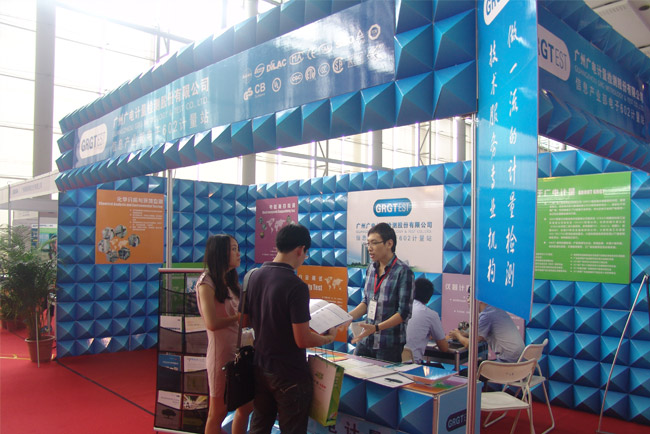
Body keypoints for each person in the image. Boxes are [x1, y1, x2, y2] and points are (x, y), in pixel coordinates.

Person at [243, 224, 338, 434]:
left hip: (260, 366)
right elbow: (302, 340)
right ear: (300, 249)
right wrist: (327, 338)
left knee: (258, 426)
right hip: (289, 373)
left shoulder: (254, 276)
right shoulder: (296, 286)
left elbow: (245, 322)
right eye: (306, 253)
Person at [196, 234, 253, 434]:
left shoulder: (230, 282)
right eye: (234, 249)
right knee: (218, 413)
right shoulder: (206, 282)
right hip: (220, 355)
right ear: (220, 252)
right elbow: (211, 323)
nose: (239, 254)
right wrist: (237, 317)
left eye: (238, 249)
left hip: (239, 352)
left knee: (246, 406)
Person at [348, 222, 415, 363]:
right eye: (368, 244)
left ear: (389, 243)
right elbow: (366, 302)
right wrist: (347, 317)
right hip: (366, 339)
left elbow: (404, 313)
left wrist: (376, 328)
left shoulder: (403, 272)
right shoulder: (371, 268)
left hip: (388, 344)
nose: (369, 248)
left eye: (374, 243)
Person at [448, 301, 524, 363]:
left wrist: (458, 335)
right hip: (520, 362)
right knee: (479, 363)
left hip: (508, 364)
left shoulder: (487, 315)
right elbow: (481, 335)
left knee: (467, 372)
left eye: (470, 297)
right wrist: (464, 334)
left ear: (480, 300)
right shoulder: (495, 310)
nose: (468, 300)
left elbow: (471, 345)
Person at [405, 277, 448, 363]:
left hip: (390, 361)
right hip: (412, 363)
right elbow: (444, 348)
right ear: (428, 299)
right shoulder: (431, 315)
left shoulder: (401, 307)